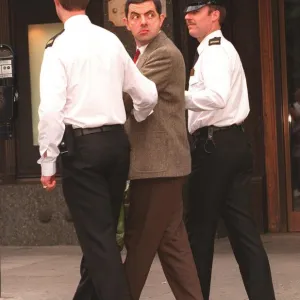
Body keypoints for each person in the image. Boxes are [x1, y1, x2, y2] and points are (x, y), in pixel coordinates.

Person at [37, 0, 158, 299]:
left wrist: (47, 162)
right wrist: (140, 114)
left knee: (99, 241)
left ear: (57, 4)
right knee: (101, 235)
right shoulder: (111, 40)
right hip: (117, 146)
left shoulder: (58, 47)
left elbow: (50, 111)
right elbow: (147, 93)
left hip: (83, 151)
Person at [184, 1, 276, 300]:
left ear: (214, 15)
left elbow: (217, 97)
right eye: (186, 11)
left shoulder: (214, 51)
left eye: (196, 11)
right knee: (243, 232)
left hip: (215, 148)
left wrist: (176, 96)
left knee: (199, 232)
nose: (187, 16)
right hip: (229, 143)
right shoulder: (217, 50)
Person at [122, 1, 203, 299]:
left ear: (162, 19)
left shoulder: (163, 54)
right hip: (162, 167)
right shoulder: (142, 54)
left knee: (140, 245)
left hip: (158, 168)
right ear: (126, 21)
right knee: (172, 245)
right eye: (136, 16)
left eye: (150, 15)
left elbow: (127, 99)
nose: (143, 22)